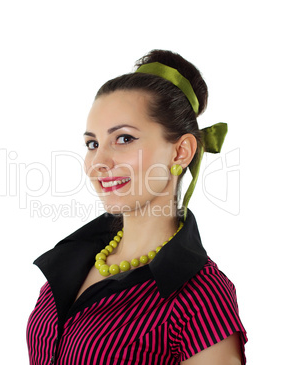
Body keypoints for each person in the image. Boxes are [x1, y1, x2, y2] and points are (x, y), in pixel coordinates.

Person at [26, 49, 248, 365]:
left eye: (125, 139)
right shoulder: (71, 259)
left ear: (181, 152)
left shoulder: (201, 296)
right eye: (93, 144)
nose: (98, 162)